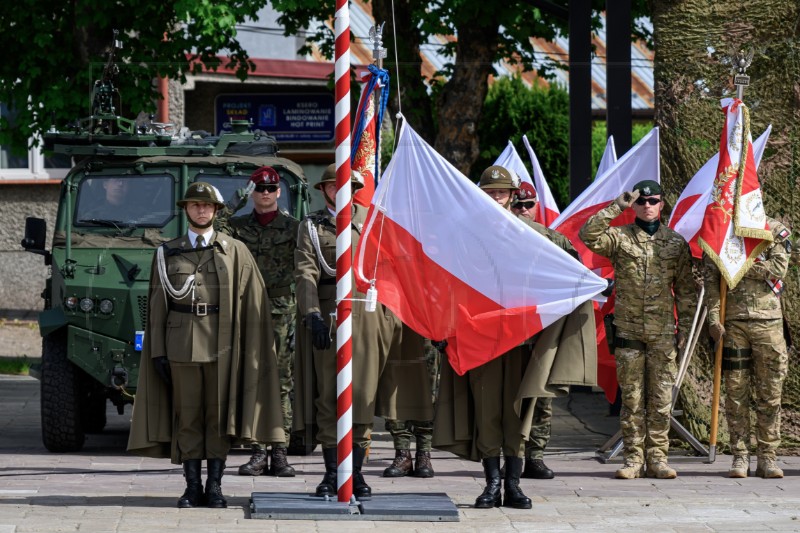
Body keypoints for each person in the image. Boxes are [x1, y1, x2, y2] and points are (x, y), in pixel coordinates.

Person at [127, 182, 284, 508]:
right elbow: (157, 306)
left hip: (222, 346)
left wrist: (253, 349)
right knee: (188, 418)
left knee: (217, 418)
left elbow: (253, 302)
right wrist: (157, 351)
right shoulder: (167, 251)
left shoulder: (235, 250)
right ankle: (191, 486)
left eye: (207, 205)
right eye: (195, 205)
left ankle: (214, 486)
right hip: (181, 345)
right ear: (186, 209)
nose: (201, 210)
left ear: (216, 211)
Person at [294, 164, 432, 499]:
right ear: (324, 189)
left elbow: (394, 268)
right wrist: (311, 314)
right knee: (330, 397)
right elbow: (305, 272)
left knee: (363, 396)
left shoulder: (374, 222)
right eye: (333, 186)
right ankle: (331, 474)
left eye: (348, 186)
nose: (340, 191)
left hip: (369, 317)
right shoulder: (312, 225)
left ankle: (355, 473)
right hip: (328, 316)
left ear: (356, 188)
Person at [579, 180, 696, 480]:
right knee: (631, 399)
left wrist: (684, 326)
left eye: (652, 201)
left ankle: (658, 458)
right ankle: (633, 458)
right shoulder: (619, 238)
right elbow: (587, 234)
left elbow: (684, 290)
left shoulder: (675, 243)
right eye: (641, 202)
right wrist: (617, 206)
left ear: (662, 204)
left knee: (660, 399)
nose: (646, 206)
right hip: (629, 331)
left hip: (662, 333)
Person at [433, 165, 533, 510]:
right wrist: (442, 329)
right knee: (488, 411)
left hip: (520, 339)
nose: (496, 198)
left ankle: (514, 485)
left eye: (501, 193)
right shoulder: (465, 237)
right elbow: (448, 286)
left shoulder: (532, 235)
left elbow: (561, 268)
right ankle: (492, 484)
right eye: (490, 193)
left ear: (511, 196)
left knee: (517, 414)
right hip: (479, 338)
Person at [216, 166, 299, 478]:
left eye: (270, 188)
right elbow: (216, 225)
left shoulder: (293, 227)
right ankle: (256, 452)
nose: (264, 194)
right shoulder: (238, 227)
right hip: (248, 307)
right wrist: (239, 196)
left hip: (282, 309)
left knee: (281, 381)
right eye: (259, 189)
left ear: (278, 192)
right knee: (252, 379)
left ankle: (279, 452)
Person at [705, 217, 791, 478]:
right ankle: (740, 457)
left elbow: (779, 268)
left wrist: (736, 263)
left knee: (770, 393)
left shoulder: (774, 230)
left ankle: (767, 458)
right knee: (736, 393)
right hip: (733, 323)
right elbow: (711, 280)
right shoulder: (721, 231)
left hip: (769, 323)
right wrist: (713, 317)